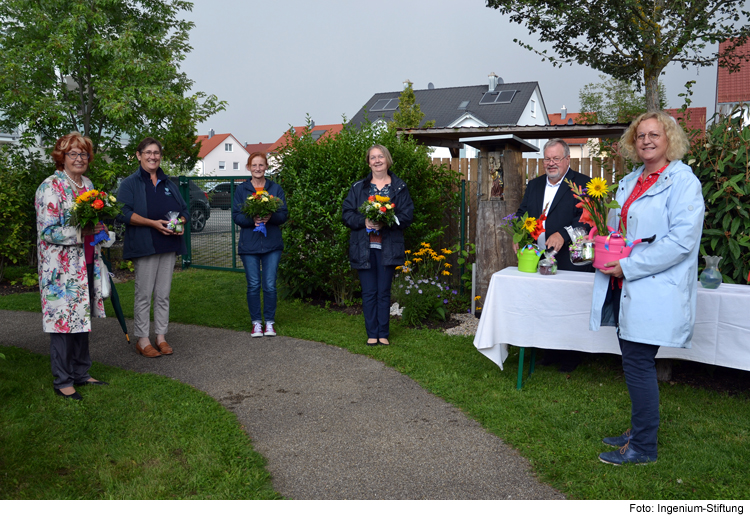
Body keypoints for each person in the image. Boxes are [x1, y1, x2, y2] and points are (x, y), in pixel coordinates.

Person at [591, 112, 704, 465]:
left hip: (652, 284)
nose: (646, 141)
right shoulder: (631, 181)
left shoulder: (683, 183)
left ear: (669, 139)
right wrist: (602, 245)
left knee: (637, 362)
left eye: (655, 134)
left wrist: (629, 265)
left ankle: (643, 447)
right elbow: (622, 230)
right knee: (635, 361)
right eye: (640, 136)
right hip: (624, 282)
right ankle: (640, 430)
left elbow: (680, 242)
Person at [35, 132, 109, 400]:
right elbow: (48, 232)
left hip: (86, 262)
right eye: (73, 154)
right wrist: (81, 231)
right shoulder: (50, 187)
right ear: (61, 157)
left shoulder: (87, 184)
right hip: (61, 270)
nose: (79, 158)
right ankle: (63, 379)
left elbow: (94, 219)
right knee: (63, 322)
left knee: (82, 318)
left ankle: (81, 372)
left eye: (84, 154)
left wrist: (100, 228)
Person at [516, 138, 593, 371]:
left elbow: (589, 222)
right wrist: (517, 235)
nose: (551, 163)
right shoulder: (534, 185)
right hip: (539, 258)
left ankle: (571, 356)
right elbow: (522, 214)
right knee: (545, 305)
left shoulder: (584, 183)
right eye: (547, 159)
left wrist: (564, 234)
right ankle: (548, 351)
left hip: (571, 258)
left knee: (568, 307)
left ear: (567, 159)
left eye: (556, 158)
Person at [117, 138, 188, 358]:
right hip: (145, 245)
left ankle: (161, 337)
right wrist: (152, 223)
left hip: (168, 244)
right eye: (148, 152)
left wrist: (181, 225)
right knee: (144, 294)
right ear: (139, 155)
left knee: (163, 294)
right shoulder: (130, 183)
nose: (153, 157)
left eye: (156, 153)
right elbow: (123, 213)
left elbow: (184, 209)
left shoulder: (169, 183)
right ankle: (143, 339)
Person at [342, 145, 414, 346]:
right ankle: (371, 333)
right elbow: (346, 213)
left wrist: (387, 221)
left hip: (388, 248)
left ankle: (383, 333)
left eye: (380, 156)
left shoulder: (399, 187)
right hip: (364, 249)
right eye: (372, 157)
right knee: (369, 292)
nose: (377, 160)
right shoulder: (358, 188)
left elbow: (407, 215)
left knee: (383, 292)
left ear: (387, 159)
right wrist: (364, 222)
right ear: (368, 162)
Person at [232, 151, 288, 337]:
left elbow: (284, 215)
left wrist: (270, 216)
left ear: (266, 167)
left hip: (272, 244)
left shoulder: (275, 188)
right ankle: (256, 322)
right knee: (254, 284)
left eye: (261, 165)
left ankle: (269, 322)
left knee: (270, 284)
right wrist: (253, 220)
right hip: (250, 245)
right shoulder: (241, 190)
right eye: (254, 165)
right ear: (249, 168)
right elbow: (236, 216)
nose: (258, 168)